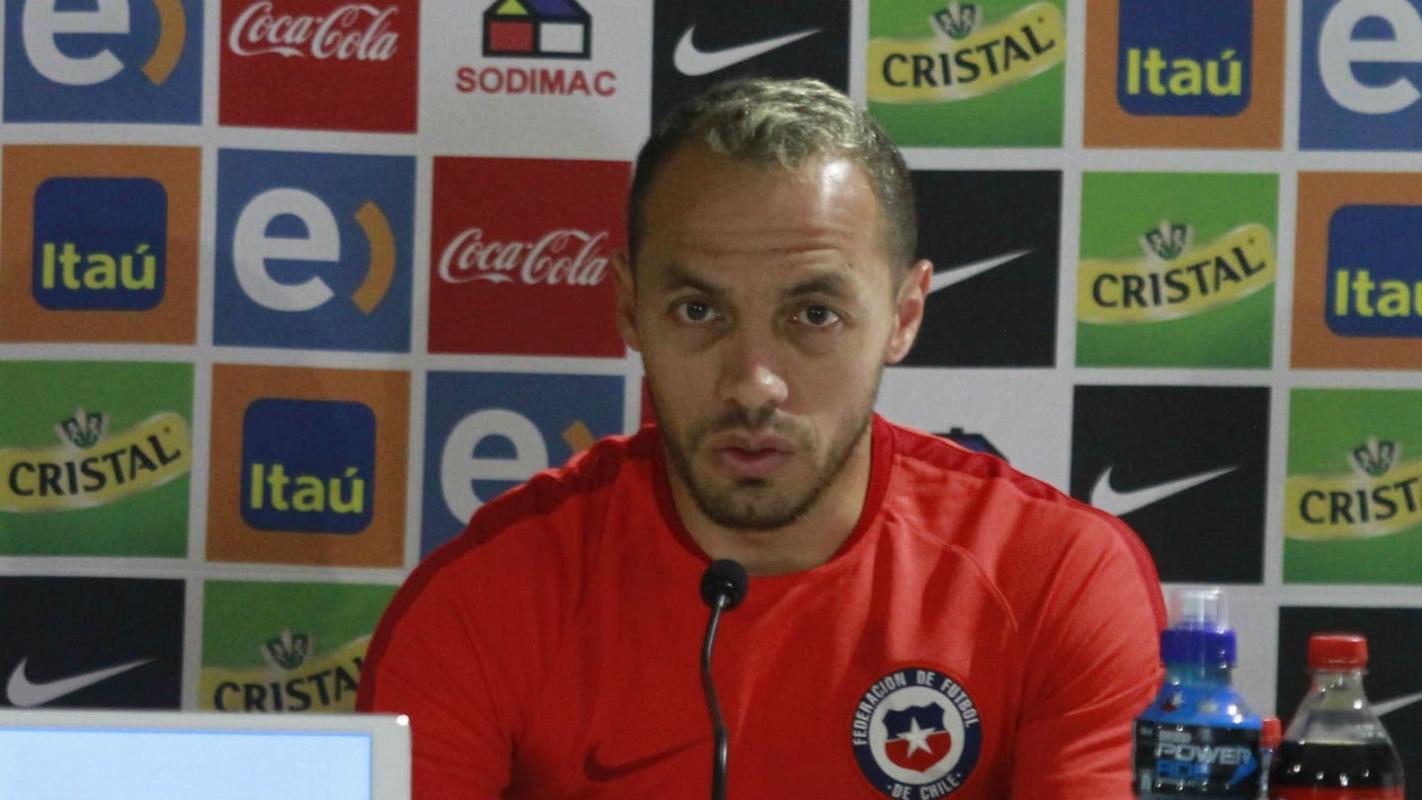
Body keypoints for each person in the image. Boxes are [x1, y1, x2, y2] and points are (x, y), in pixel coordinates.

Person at [358, 78, 1166, 799]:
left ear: (904, 315)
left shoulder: (1055, 577)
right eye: (698, 311)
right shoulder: (484, 599)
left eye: (813, 315)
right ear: (630, 309)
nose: (754, 384)